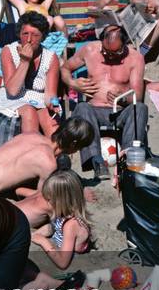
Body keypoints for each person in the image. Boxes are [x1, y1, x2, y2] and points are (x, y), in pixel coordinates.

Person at [61, 25, 147, 180]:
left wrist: (123, 96)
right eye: (106, 52)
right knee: (82, 107)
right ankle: (97, 162)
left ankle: (128, 159)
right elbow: (65, 69)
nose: (109, 56)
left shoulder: (135, 58)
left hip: (120, 111)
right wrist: (73, 83)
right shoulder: (90, 50)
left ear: (125, 45)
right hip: (94, 110)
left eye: (115, 52)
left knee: (140, 108)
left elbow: (137, 96)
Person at [0, 12, 62, 136]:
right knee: (29, 112)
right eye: (25, 34)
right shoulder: (8, 51)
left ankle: (55, 153)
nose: (28, 39)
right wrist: (25, 61)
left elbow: (50, 94)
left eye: (35, 35)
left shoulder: (50, 57)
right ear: (19, 35)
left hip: (38, 100)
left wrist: (53, 103)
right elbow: (12, 91)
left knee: (50, 120)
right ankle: (30, 150)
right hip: (12, 99)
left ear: (43, 37)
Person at [16, 170, 92, 269]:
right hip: (59, 242)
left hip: (70, 255)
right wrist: (37, 234)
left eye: (49, 199)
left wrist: (43, 241)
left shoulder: (71, 225)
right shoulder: (62, 212)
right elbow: (54, 227)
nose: (46, 201)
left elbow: (63, 263)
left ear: (63, 200)